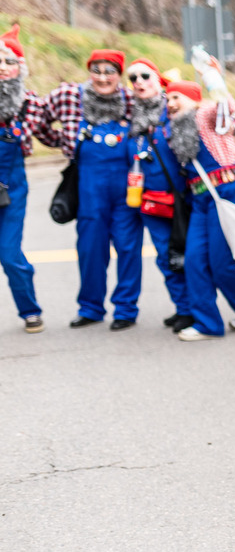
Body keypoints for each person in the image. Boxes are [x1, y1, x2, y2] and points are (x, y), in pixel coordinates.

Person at [42, 49, 143, 330]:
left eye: (109, 71)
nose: (102, 77)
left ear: (119, 75)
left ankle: (125, 309)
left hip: (127, 193)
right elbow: (38, 115)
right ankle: (90, 307)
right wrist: (59, 140)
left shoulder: (132, 101)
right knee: (90, 250)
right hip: (89, 193)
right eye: (96, 71)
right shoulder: (73, 98)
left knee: (128, 249)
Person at [164, 80, 235, 342]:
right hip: (200, 198)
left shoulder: (205, 114)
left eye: (177, 97)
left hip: (227, 192)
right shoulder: (175, 129)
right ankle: (208, 323)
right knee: (194, 260)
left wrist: (212, 76)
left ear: (193, 98)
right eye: (168, 99)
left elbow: (226, 106)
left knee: (222, 264)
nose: (171, 103)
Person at [126, 58, 193, 334]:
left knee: (187, 256)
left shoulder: (174, 110)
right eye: (133, 78)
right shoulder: (130, 116)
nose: (139, 82)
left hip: (179, 199)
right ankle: (183, 308)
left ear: (158, 79)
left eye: (145, 75)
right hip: (148, 201)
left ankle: (196, 308)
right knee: (165, 257)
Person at [0, 24, 47, 334]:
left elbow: (32, 132)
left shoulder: (28, 102)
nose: (2, 68)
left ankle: (29, 309)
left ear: (20, 67)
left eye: (8, 61)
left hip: (10, 189)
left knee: (9, 254)